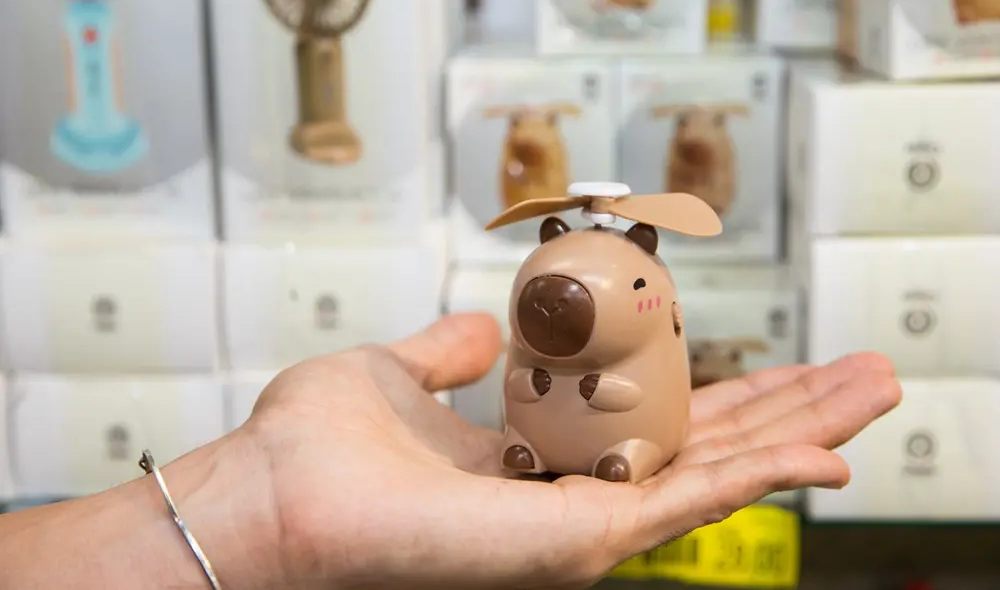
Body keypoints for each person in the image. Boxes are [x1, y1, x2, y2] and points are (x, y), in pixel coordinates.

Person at [0, 313, 901, 589]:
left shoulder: (647, 347)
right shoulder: (532, 349)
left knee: (616, 422)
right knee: (532, 409)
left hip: (632, 431)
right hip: (537, 429)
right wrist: (263, 504)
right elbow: (523, 384)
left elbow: (633, 389)